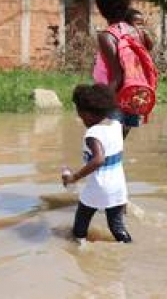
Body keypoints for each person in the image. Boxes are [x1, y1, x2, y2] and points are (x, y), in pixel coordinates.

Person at [62, 83, 132, 244]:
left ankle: (79, 248)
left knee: (80, 226)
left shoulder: (93, 134)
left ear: (89, 114)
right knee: (116, 226)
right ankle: (128, 245)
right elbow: (123, 132)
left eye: (81, 115)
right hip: (118, 186)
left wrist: (74, 177)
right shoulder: (116, 125)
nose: (81, 119)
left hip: (98, 187)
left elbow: (99, 159)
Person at [93, 0, 146, 137]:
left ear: (101, 8)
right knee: (118, 145)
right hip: (133, 98)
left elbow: (117, 75)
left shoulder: (107, 36)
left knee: (107, 149)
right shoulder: (136, 32)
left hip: (114, 99)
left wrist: (100, 104)